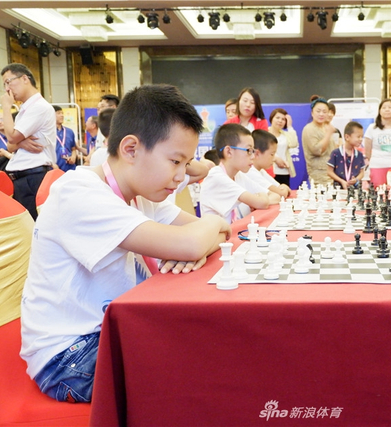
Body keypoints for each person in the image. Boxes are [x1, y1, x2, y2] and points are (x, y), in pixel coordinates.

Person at [20, 84, 231, 403]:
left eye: (186, 165)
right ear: (131, 149)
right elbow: (197, 238)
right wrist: (207, 227)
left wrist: (200, 241)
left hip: (114, 329)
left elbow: (215, 236)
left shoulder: (143, 196)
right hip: (69, 356)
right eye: (176, 162)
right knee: (203, 371)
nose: (180, 177)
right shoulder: (80, 193)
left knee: (211, 345)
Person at [0, 63, 57, 220]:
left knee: (33, 225)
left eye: (8, 82)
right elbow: (10, 146)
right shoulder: (25, 110)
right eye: (5, 85)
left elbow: (11, 137)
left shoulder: (39, 107)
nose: (7, 89)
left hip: (34, 175)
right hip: (25, 177)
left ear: (25, 79)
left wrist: (6, 107)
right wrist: (20, 143)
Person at [200, 124, 272, 223]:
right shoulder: (216, 176)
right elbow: (262, 203)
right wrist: (260, 198)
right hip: (218, 233)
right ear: (229, 152)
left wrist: (259, 199)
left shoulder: (238, 175)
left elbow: (274, 196)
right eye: (248, 150)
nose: (253, 157)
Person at [363, 99, 391, 186]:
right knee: (378, 190)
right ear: (379, 111)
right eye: (384, 107)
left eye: (390, 107)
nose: (387, 110)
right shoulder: (372, 128)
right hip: (377, 165)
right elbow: (367, 150)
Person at [302, 96, 336, 185]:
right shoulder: (309, 128)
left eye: (324, 112)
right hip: (319, 174)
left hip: (331, 172)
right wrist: (328, 134)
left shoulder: (326, 127)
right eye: (318, 111)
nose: (321, 114)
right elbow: (317, 150)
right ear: (312, 113)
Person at [248, 129, 290, 199]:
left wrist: (283, 188)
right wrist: (284, 188)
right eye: (272, 154)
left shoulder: (261, 171)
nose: (274, 159)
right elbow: (281, 193)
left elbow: (280, 188)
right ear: (257, 153)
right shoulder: (250, 172)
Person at [327, 121, 366, 189]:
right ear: (347, 137)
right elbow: (329, 172)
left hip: (355, 189)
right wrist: (341, 181)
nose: (361, 139)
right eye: (358, 137)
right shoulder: (336, 153)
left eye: (362, 137)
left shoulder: (359, 155)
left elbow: (362, 172)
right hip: (338, 188)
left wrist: (356, 179)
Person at [268, 108, 298, 187]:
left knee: (285, 192)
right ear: (272, 118)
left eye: (283, 119)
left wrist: (290, 126)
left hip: (284, 171)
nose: (280, 121)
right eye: (277, 118)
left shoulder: (285, 135)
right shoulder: (265, 133)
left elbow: (294, 144)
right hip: (269, 170)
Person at [53, 106, 78, 172]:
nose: (62, 115)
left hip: (70, 168)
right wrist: (52, 164)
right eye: (59, 113)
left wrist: (73, 157)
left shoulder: (69, 131)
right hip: (55, 168)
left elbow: (73, 149)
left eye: (62, 113)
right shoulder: (48, 132)